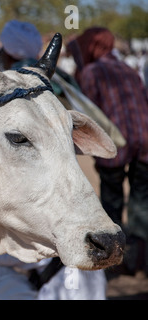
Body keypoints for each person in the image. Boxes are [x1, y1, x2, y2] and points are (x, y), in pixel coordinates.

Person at [0, 20, 108, 300]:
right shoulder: (60, 82)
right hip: (70, 194)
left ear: (7, 52)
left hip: (29, 229)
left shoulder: (2, 90)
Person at [68, 27, 148, 276]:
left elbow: (88, 113)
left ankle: (115, 263)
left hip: (116, 148)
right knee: (141, 204)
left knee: (112, 204)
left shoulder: (92, 73)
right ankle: (139, 261)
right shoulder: (129, 70)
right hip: (145, 142)